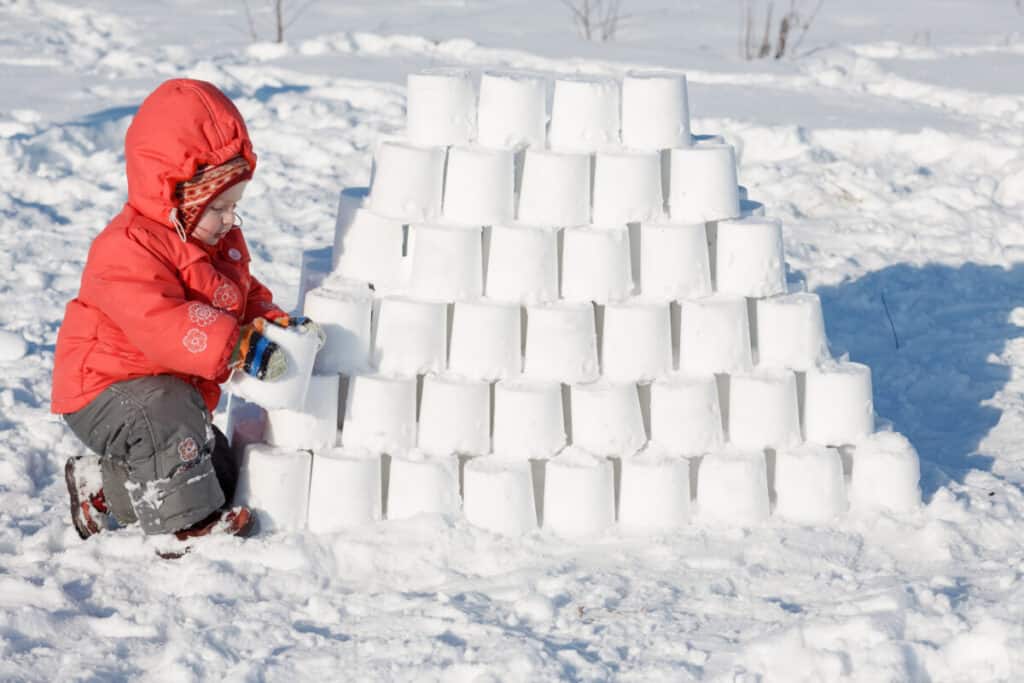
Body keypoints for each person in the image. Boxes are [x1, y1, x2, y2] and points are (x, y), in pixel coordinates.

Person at [51, 78, 320, 543]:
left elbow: (238, 292)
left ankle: (99, 490)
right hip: (102, 389)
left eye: (236, 206)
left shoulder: (213, 237)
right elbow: (160, 325)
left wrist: (264, 317)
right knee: (171, 425)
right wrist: (235, 343)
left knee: (210, 467)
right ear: (177, 196)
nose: (231, 220)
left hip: (158, 391)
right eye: (219, 207)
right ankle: (186, 531)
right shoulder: (127, 247)